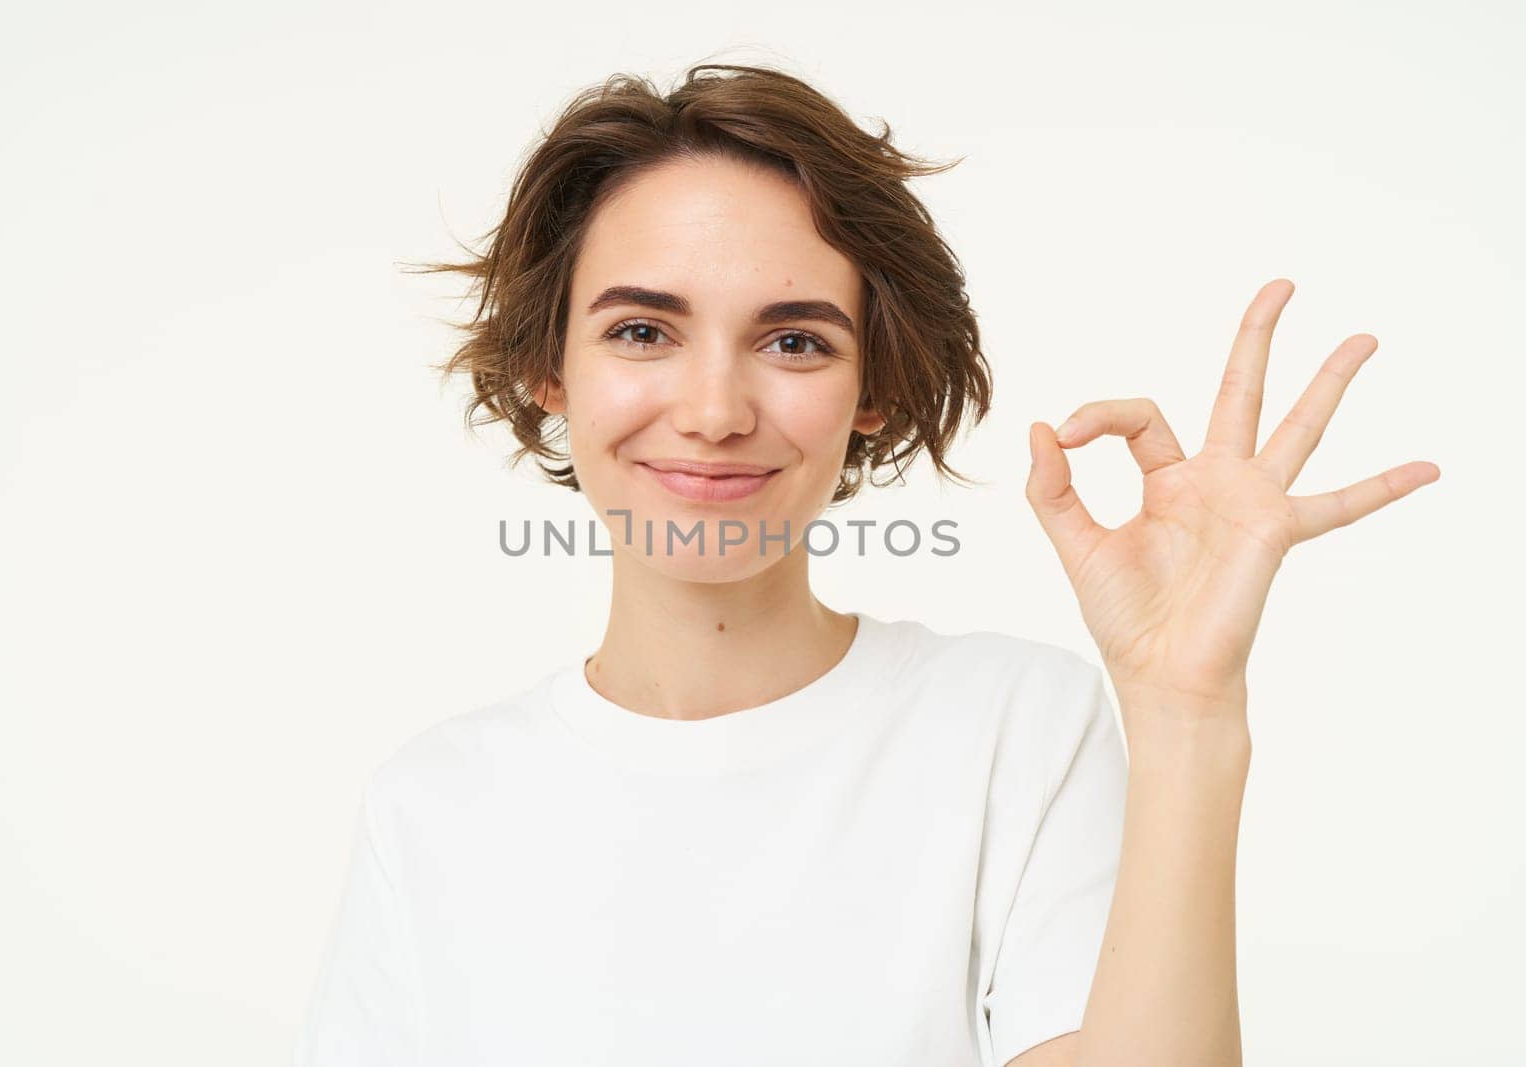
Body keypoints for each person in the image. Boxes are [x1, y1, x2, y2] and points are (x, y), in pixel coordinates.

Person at [291, 63, 1440, 1067]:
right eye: (642, 329)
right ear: (553, 370)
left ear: (874, 387)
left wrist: (1185, 711)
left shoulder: (1012, 729)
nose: (712, 409)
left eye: (793, 340)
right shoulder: (431, 805)